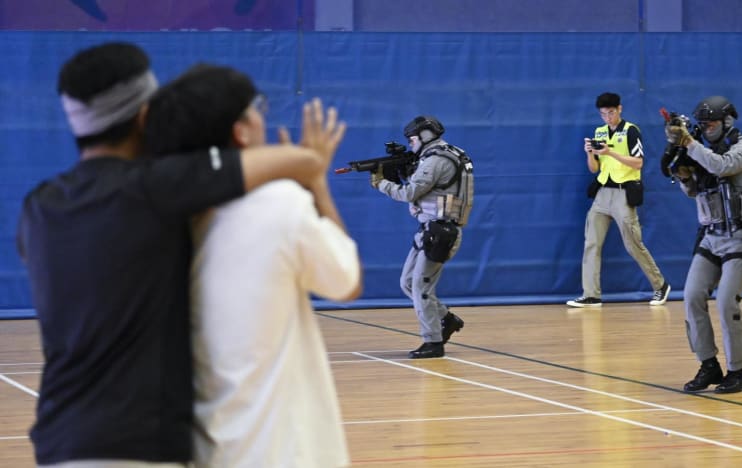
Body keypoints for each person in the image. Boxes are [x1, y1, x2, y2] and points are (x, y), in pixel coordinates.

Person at [16, 42, 334, 466]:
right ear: (144, 116)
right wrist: (312, 161)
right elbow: (284, 162)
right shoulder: (157, 186)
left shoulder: (40, 206)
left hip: (58, 440)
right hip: (138, 444)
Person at [142, 64, 362, 467]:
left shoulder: (163, 216)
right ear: (241, 131)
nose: (263, 116)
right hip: (281, 453)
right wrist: (315, 181)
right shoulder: (278, 203)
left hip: (203, 450)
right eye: (257, 108)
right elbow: (346, 282)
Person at [665, 95, 742, 394]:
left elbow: (722, 166)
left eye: (710, 123)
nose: (706, 128)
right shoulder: (703, 151)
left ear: (727, 121)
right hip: (711, 236)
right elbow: (694, 191)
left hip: (741, 235)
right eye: (702, 124)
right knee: (691, 297)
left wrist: (688, 143)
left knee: (726, 302)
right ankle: (708, 364)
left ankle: (737, 371)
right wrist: (684, 174)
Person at [370, 116, 473, 359]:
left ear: (425, 136)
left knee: (421, 287)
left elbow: (410, 193)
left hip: (441, 231)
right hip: (430, 229)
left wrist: (381, 183)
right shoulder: (442, 155)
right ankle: (447, 319)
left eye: (412, 139)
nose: (411, 144)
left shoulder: (436, 159)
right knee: (408, 282)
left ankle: (433, 342)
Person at [567, 92, 670, 308]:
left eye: (611, 113)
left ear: (620, 109)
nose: (608, 118)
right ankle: (591, 294)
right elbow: (594, 168)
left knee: (633, 244)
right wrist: (589, 153)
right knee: (591, 243)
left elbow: (638, 163)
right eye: (603, 114)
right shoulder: (599, 132)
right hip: (603, 192)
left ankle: (660, 285)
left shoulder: (631, 130)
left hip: (624, 193)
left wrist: (610, 152)